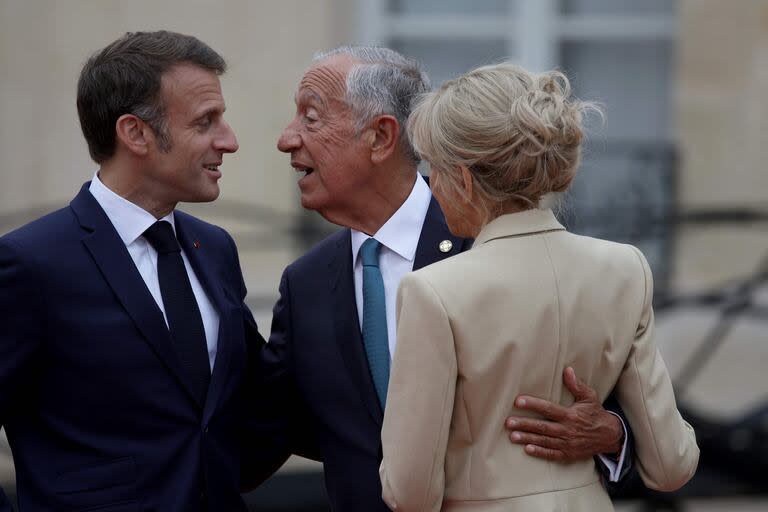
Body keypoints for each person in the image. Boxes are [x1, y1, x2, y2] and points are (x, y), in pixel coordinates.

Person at [258, 46, 635, 511]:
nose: (286, 139)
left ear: (380, 136)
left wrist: (613, 435)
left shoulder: (500, 241)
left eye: (311, 118)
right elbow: (263, 435)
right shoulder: (305, 283)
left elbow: (622, 407)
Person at [379, 63, 699, 511]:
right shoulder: (626, 269)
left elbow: (410, 491)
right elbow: (671, 465)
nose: (432, 188)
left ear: (466, 180)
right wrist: (613, 431)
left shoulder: (432, 291)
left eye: (436, 170)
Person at [0, 31, 269, 511]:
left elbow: (256, 401)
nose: (228, 141)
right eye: (206, 122)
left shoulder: (215, 250)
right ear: (135, 133)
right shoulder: (30, 263)